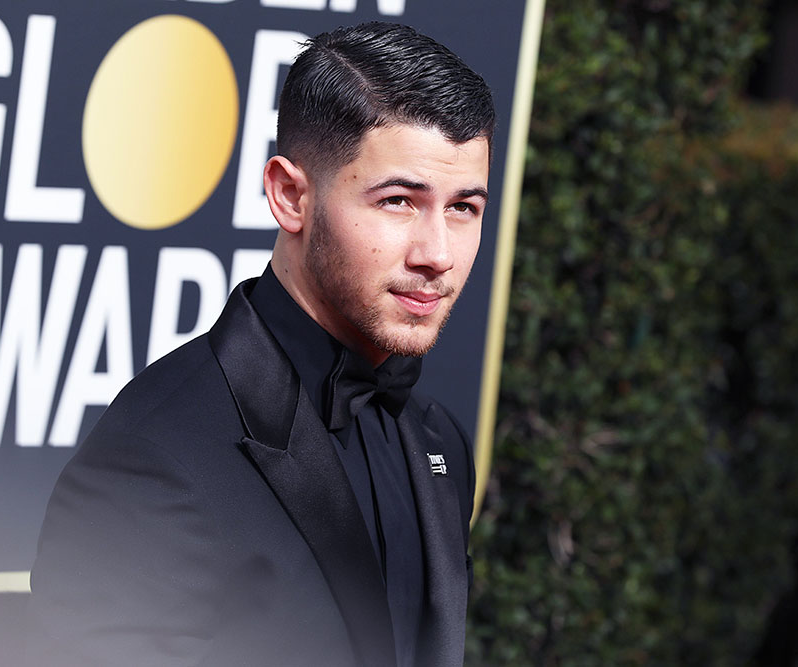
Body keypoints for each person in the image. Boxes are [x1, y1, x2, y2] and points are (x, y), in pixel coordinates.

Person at [28, 21, 495, 667]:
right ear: (289, 194)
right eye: (397, 201)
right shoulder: (155, 457)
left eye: (464, 208)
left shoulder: (438, 440)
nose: (437, 254)